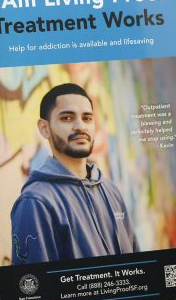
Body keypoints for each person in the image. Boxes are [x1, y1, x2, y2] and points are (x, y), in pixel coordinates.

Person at [11, 83, 139, 264]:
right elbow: (39, 286)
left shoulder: (111, 191)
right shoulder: (36, 202)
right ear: (44, 128)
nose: (80, 126)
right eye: (67, 118)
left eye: (87, 118)